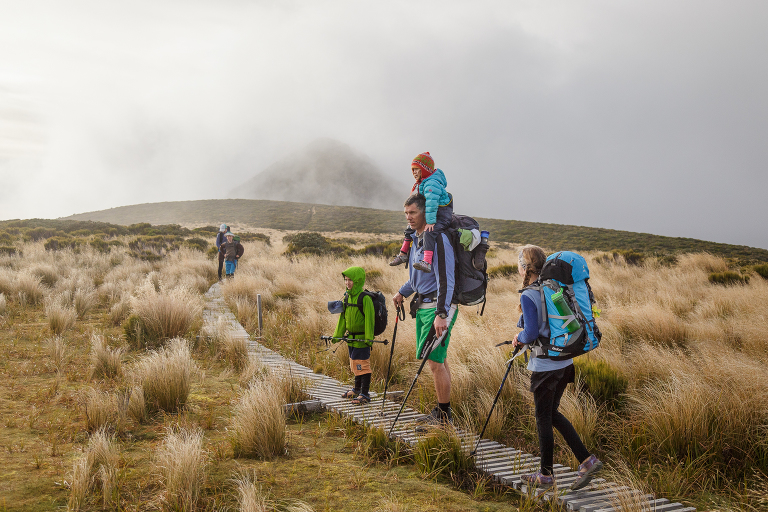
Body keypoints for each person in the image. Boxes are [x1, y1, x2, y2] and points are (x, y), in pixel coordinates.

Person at [511, 244, 603, 490]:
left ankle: (546, 475)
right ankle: (587, 460)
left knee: (543, 418)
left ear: (526, 267)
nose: (518, 267)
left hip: (545, 366)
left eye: (520, 262)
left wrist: (519, 338)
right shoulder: (552, 288)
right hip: (565, 362)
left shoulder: (528, 294)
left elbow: (530, 333)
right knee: (552, 414)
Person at [392, 194, 457, 429]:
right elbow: (417, 279)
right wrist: (402, 292)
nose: (409, 217)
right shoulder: (418, 239)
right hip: (424, 306)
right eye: (406, 213)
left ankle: (443, 418)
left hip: (437, 308)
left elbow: (446, 280)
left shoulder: (437, 239)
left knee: (434, 363)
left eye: (413, 213)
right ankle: (442, 413)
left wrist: (442, 314)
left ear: (424, 213)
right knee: (438, 360)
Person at [389, 152, 453, 273]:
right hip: (433, 214)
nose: (414, 172)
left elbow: (431, 203)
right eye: (412, 170)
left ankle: (427, 262)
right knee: (409, 229)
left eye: (416, 169)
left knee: (429, 232)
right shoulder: (423, 182)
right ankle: (403, 254)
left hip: (441, 216)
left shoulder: (431, 183)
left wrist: (430, 222)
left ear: (425, 169)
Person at [332, 266, 375, 405]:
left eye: (350, 280)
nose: (347, 283)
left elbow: (370, 320)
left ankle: (365, 394)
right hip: (351, 339)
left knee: (363, 365)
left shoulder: (365, 298)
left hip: (362, 339)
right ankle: (356, 390)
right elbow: (342, 319)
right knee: (354, 364)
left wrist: (368, 339)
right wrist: (337, 335)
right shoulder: (346, 297)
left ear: (358, 281)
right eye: (346, 280)